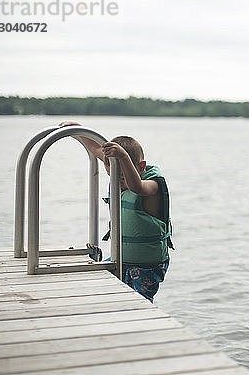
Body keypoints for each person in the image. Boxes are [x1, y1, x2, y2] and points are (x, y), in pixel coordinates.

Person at [59, 121, 173, 302]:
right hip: (120, 258)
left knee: (139, 303)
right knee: (97, 286)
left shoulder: (152, 186)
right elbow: (96, 150)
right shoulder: (113, 167)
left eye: (122, 176)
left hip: (147, 266)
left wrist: (124, 157)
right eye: (111, 173)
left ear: (141, 167)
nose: (118, 180)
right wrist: (78, 130)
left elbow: (136, 187)